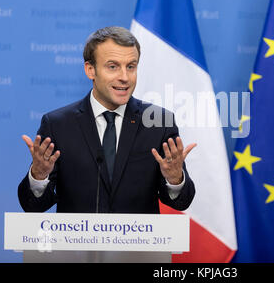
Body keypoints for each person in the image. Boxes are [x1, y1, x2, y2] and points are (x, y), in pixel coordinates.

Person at [18, 26, 196, 214]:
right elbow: (32, 206)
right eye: (113, 67)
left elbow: (180, 203)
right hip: (77, 242)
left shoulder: (159, 122)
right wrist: (39, 176)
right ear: (90, 70)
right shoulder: (58, 125)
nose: (124, 77)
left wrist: (175, 179)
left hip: (138, 242)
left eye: (131, 66)